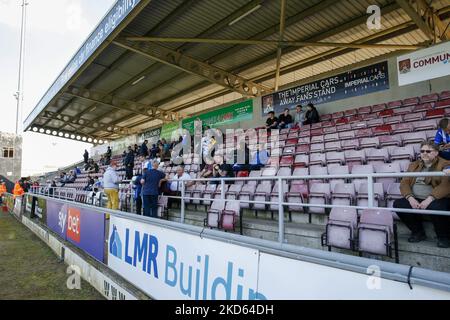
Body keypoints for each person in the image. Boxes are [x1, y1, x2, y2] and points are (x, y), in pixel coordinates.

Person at [393, 142, 450, 248]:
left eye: (428, 151)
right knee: (399, 204)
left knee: (437, 207)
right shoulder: (414, 165)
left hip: (436, 198)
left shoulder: (445, 164)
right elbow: (404, 182)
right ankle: (418, 232)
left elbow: (446, 185)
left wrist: (430, 199)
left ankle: (443, 237)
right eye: (422, 151)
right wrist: (410, 198)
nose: (424, 153)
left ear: (436, 153)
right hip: (416, 198)